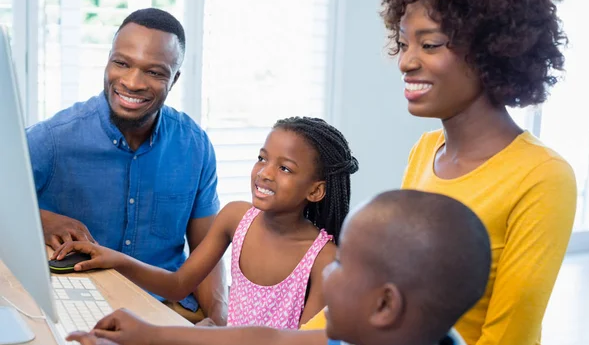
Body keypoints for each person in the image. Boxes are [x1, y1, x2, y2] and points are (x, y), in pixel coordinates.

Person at [62, 190, 492, 345]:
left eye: (342, 267)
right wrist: (152, 333)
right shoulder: (403, 340)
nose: (326, 274)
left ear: (384, 306)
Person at [381, 0, 578, 345]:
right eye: (404, 44)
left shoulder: (542, 177)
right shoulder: (424, 152)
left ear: (492, 49)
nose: (406, 62)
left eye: (430, 44)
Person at [52, 116, 359, 330]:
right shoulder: (235, 218)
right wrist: (113, 259)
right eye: (262, 158)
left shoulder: (324, 259)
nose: (265, 173)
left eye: (285, 168)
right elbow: (177, 285)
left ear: (316, 190)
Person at [26, 8, 227, 324]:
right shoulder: (51, 139)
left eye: (155, 72)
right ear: (107, 61)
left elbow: (208, 254)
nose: (132, 82)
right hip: (78, 307)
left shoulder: (195, 145)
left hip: (168, 310)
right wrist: (39, 219)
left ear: (174, 79)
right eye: (122, 63)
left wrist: (218, 321)